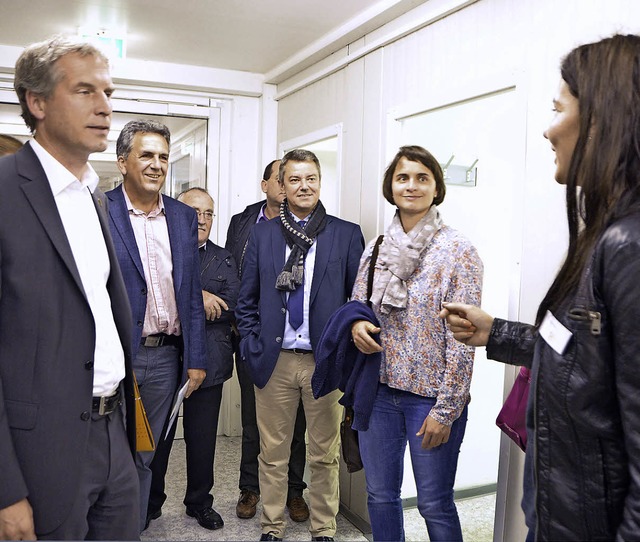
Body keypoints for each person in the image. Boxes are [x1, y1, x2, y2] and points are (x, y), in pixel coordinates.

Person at [440, 34, 640, 541]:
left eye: (558, 108)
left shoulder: (628, 247)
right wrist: (498, 333)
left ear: (605, 116)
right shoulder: (604, 236)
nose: (549, 130)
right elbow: (590, 357)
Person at [0, 35, 139, 540]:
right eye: (85, 91)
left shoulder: (93, 196)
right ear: (37, 103)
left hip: (113, 434)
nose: (105, 107)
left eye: (107, 92)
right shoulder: (5, 191)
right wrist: (5, 489)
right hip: (39, 451)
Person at [348, 146, 483, 541]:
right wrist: (357, 325)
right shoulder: (375, 248)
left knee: (434, 503)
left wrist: (447, 409)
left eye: (422, 178)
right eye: (403, 177)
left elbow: (465, 337)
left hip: (431, 398)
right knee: (381, 496)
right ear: (391, 186)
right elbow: (358, 304)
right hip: (378, 392)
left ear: (437, 188)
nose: (412, 185)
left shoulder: (458, 250)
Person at [236, 149, 364, 541]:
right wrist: (253, 344)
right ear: (281, 186)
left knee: (324, 455)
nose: (303, 186)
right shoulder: (262, 234)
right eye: (294, 179)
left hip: (324, 363)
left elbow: (358, 303)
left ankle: (323, 528)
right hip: (274, 361)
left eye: (310, 178)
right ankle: (272, 525)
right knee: (272, 453)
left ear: (320, 182)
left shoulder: (344, 234)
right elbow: (247, 301)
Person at [106, 119, 207, 533]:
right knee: (110, 453)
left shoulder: (183, 216)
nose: (157, 164)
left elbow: (191, 293)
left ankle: (134, 527)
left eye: (163, 156)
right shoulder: (100, 209)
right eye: (146, 155)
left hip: (167, 358)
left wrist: (196, 358)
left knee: (147, 452)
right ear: (123, 161)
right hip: (115, 356)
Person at [147, 187, 239, 531]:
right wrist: (197, 296)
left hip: (210, 360)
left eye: (209, 213)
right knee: (158, 439)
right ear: (177, 215)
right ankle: (150, 504)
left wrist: (189, 303)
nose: (202, 219)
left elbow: (231, 306)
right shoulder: (160, 252)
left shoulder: (224, 258)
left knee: (202, 441)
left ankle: (199, 503)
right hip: (164, 359)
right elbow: (150, 299)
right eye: (195, 212)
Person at [225, 159, 309, 522]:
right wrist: (246, 336)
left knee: (297, 424)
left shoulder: (311, 226)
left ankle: (294, 492)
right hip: (256, 340)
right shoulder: (243, 222)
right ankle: (250, 487)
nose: (286, 184)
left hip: (297, 342)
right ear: (267, 185)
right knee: (252, 421)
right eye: (281, 177)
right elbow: (236, 277)